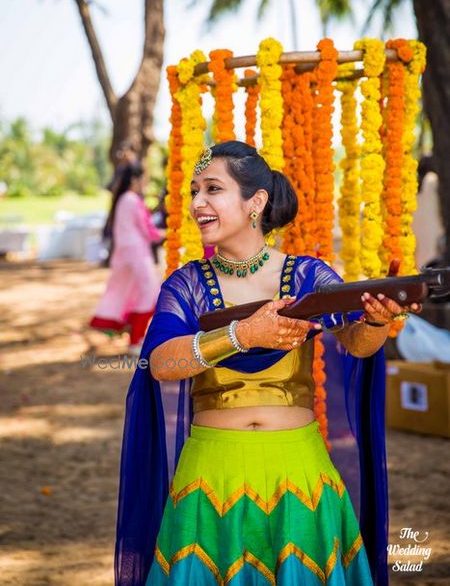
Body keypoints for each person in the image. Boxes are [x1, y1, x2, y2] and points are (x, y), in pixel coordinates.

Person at [115, 142, 421, 586]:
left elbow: (356, 344)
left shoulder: (306, 276)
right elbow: (161, 363)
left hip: (297, 471)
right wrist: (241, 335)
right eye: (194, 191)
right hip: (210, 475)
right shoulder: (186, 284)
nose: (197, 203)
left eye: (213, 189)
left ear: (255, 202)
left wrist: (377, 321)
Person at [90, 163, 162, 354]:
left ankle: (133, 334)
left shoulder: (122, 199)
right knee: (148, 293)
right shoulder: (133, 200)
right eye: (143, 179)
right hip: (137, 253)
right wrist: (166, 234)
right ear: (134, 180)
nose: (145, 183)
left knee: (134, 292)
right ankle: (135, 340)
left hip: (124, 254)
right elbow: (148, 229)